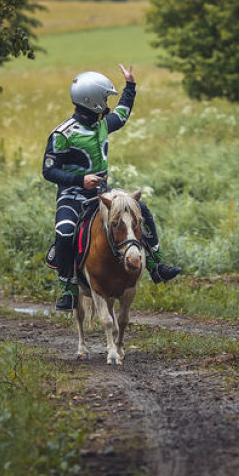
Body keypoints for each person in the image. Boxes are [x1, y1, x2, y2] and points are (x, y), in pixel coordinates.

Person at [43, 65, 182, 311]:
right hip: (72, 196)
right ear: (92, 100)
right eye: (105, 98)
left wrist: (130, 86)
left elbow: (123, 113)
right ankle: (68, 288)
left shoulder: (103, 124)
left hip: (102, 194)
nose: (107, 103)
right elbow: (49, 171)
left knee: (141, 210)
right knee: (64, 231)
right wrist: (80, 180)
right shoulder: (62, 134)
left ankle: (157, 265)